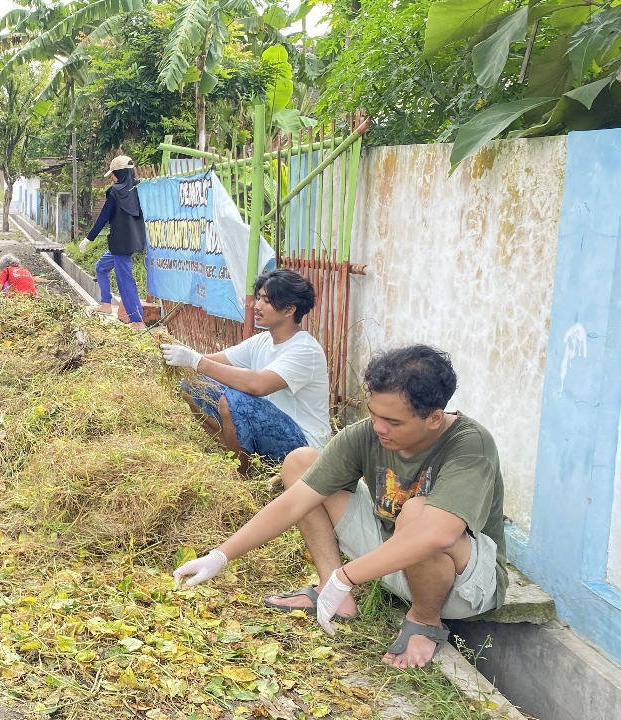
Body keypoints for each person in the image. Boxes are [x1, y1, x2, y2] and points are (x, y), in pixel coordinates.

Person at [173, 345, 507, 669]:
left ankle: (424, 621)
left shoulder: (470, 444)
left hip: (460, 587)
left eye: (393, 421)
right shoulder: (367, 435)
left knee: (420, 513)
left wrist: (346, 576)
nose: (379, 428)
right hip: (395, 560)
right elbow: (294, 503)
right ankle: (332, 595)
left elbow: (438, 535)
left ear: (434, 419)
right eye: (373, 413)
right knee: (301, 463)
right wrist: (221, 555)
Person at [160, 269, 330, 465]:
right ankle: (238, 458)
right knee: (193, 384)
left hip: (302, 446)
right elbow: (214, 361)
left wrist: (196, 361)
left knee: (234, 400)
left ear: (289, 310)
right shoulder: (263, 341)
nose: (256, 306)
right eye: (258, 298)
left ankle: (242, 475)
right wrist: (179, 355)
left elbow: (257, 385)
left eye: (266, 301)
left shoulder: (305, 350)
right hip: (269, 426)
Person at [79, 155, 147, 331]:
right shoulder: (140, 190)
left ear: (120, 173)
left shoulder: (116, 192)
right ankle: (106, 304)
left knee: (125, 281)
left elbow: (103, 218)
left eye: (114, 174)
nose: (113, 177)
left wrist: (88, 238)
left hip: (120, 244)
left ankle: (138, 321)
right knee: (101, 267)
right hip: (133, 241)